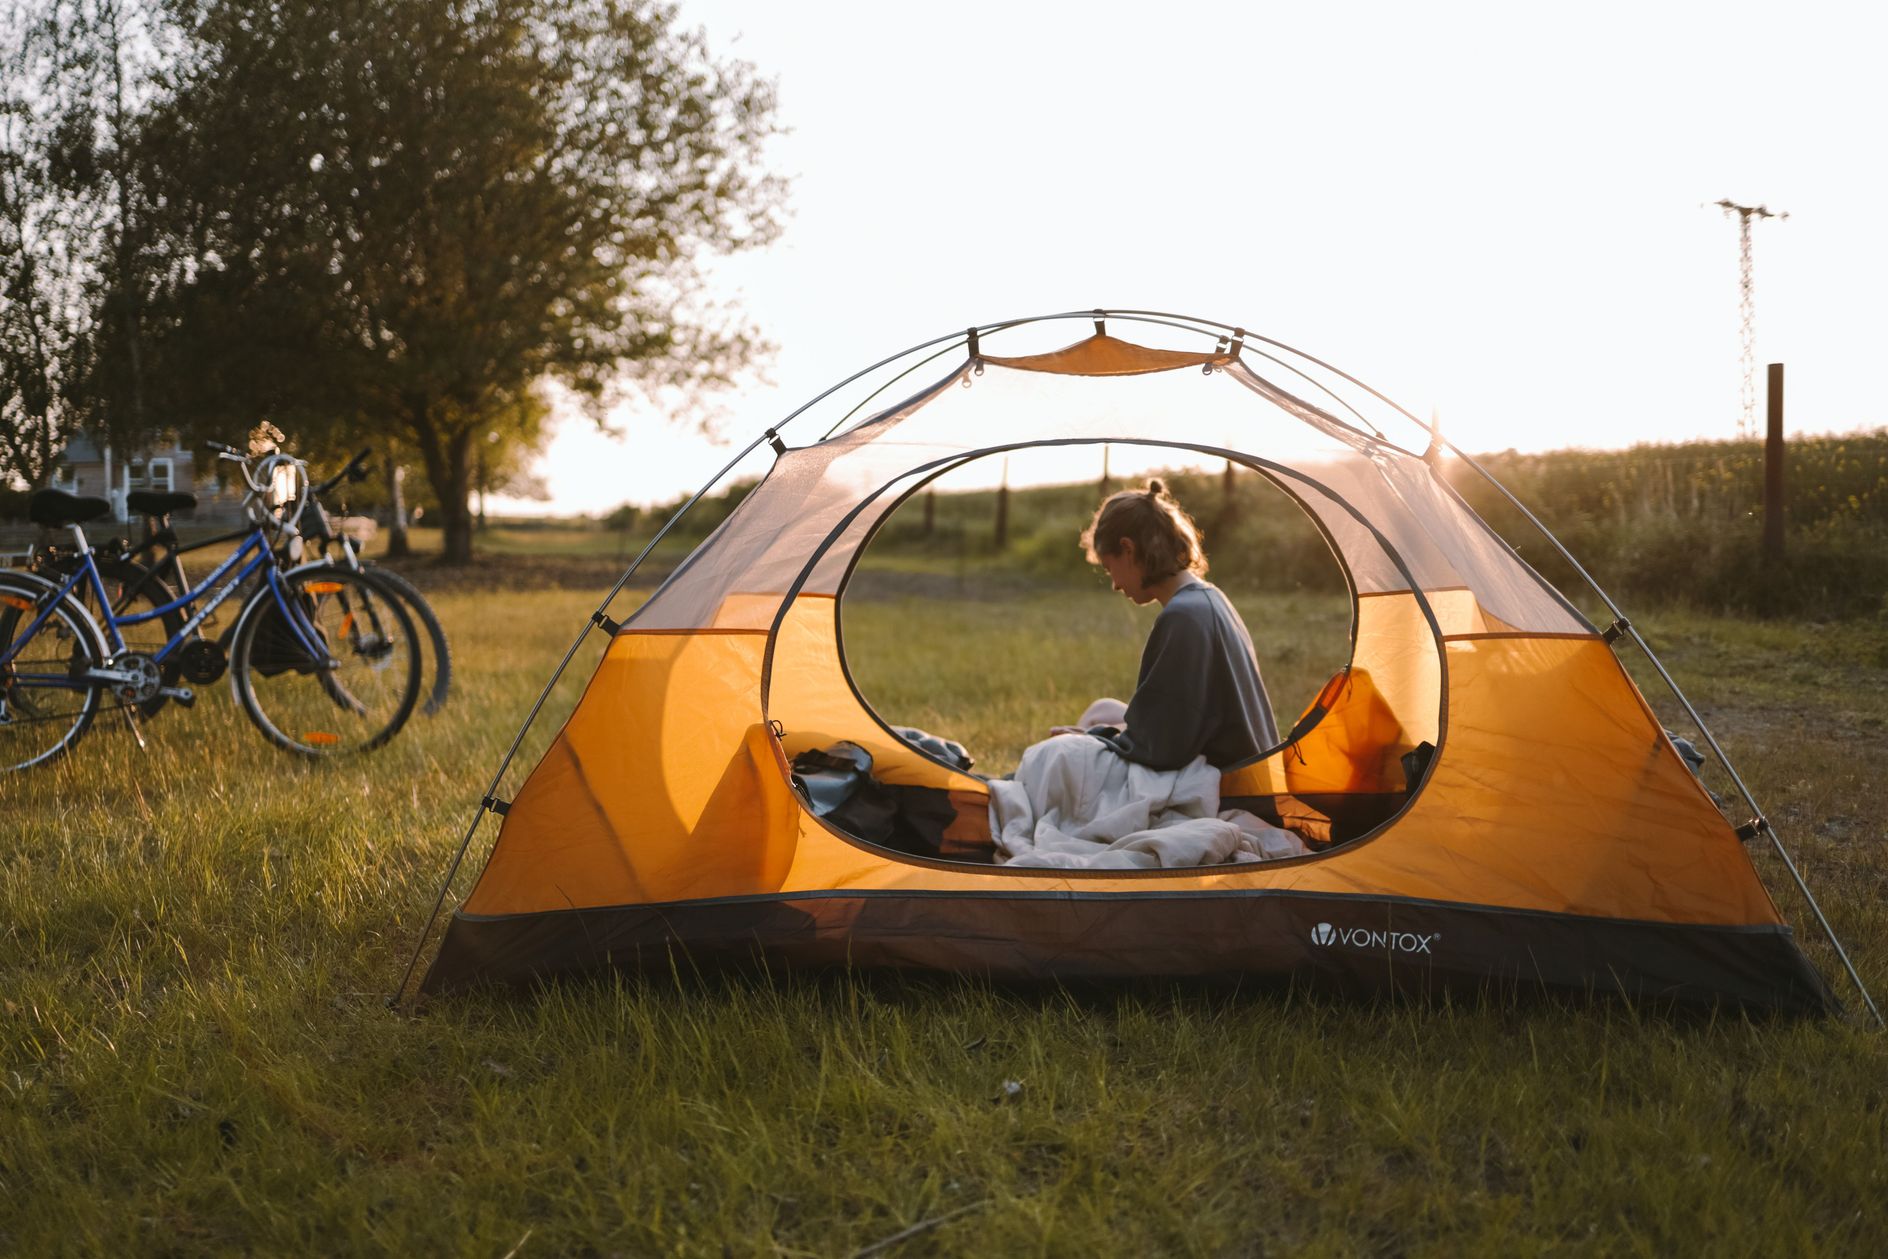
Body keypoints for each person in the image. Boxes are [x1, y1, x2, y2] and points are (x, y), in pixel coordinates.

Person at [1057, 478, 1279, 770]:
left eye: (1110, 569)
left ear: (1128, 549)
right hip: (1231, 758)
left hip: (1228, 781)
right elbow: (1178, 720)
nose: (1115, 585)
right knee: (1103, 709)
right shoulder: (1207, 596)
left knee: (1059, 752)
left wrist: (1091, 738)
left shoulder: (1183, 617)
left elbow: (1162, 751)